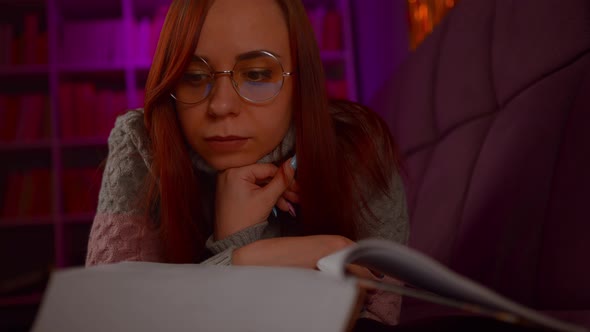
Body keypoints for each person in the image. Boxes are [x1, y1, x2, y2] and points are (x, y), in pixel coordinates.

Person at [86, 0, 409, 326]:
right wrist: (241, 256)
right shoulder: (141, 142)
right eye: (194, 76)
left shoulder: (359, 148)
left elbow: (376, 321)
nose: (221, 105)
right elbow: (104, 320)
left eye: (256, 74)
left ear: (300, 79)